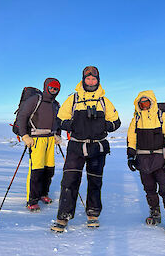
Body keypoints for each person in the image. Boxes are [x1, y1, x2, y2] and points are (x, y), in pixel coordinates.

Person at [51, 66, 121, 232]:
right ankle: (63, 217)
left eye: (94, 79)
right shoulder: (73, 99)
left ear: (98, 80)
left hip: (97, 147)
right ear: (83, 79)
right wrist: (74, 125)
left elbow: (116, 122)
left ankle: (93, 214)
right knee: (69, 181)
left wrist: (103, 125)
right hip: (76, 146)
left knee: (95, 182)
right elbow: (60, 119)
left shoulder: (104, 101)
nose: (91, 81)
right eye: (88, 78)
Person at [127, 90, 165, 235]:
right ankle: (155, 213)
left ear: (152, 102)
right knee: (149, 189)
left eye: (146, 103)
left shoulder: (162, 116)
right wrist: (131, 156)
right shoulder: (136, 119)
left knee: (164, 189)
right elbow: (131, 139)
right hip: (143, 160)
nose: (144, 106)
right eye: (141, 103)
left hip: (159, 159)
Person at [17, 78, 62, 212]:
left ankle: (43, 194)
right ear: (46, 87)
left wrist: (57, 134)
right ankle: (32, 200)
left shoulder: (56, 104)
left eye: (56, 89)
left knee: (49, 169)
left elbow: (58, 121)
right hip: (36, 140)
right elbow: (22, 117)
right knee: (36, 170)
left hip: (50, 140)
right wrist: (25, 135)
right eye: (51, 88)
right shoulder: (35, 100)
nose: (53, 91)